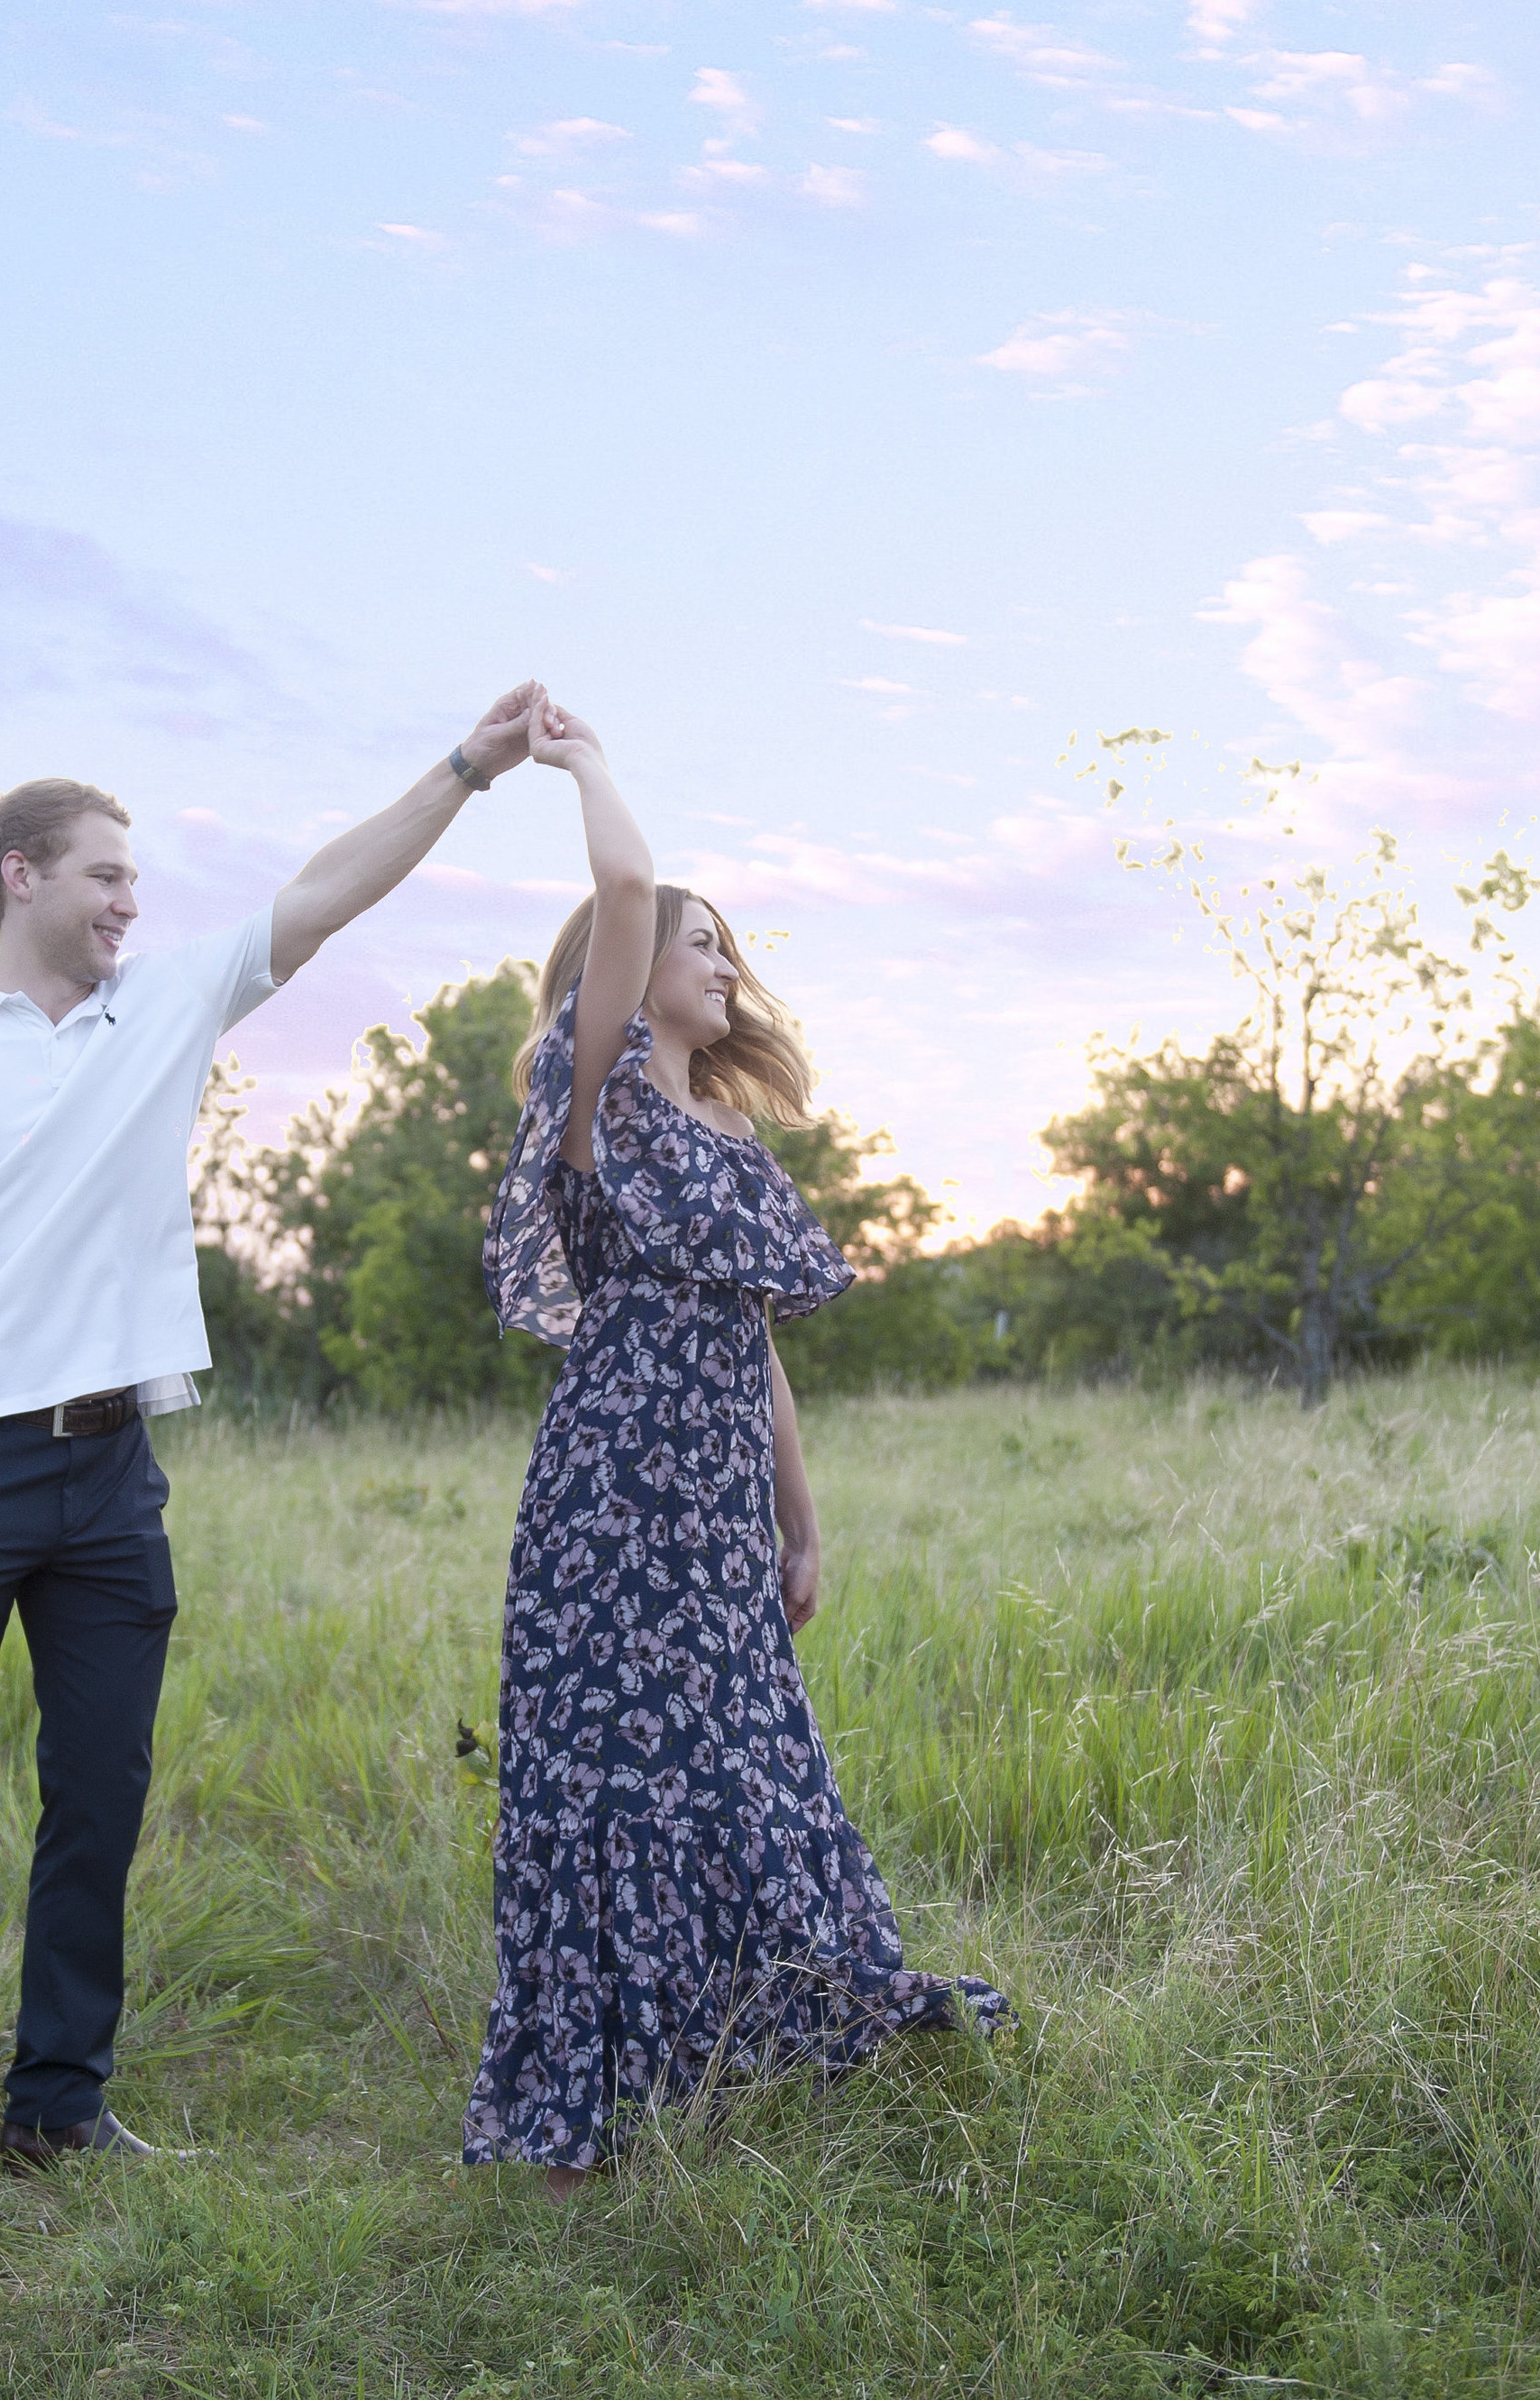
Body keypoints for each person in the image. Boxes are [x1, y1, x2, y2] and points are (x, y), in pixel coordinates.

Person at [0, 684, 545, 2189]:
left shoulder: (159, 1004)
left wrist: (469, 767)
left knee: (101, 1803)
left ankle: (56, 2104)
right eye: (104, 874)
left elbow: (324, 895)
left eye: (134, 880)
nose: (129, 902)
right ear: (21, 875)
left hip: (112, 1477)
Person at [466, 694, 1012, 2195]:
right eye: (702, 943)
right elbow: (629, 889)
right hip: (610, 1505)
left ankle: (729, 2046)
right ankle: (591, 2092)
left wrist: (805, 1520)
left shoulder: (735, 1145)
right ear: (627, 981)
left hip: (716, 1515)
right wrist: (580, 760)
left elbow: (752, 1339)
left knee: (744, 1772)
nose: (722, 962)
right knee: (607, 1787)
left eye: (724, 947)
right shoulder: (597, 1101)